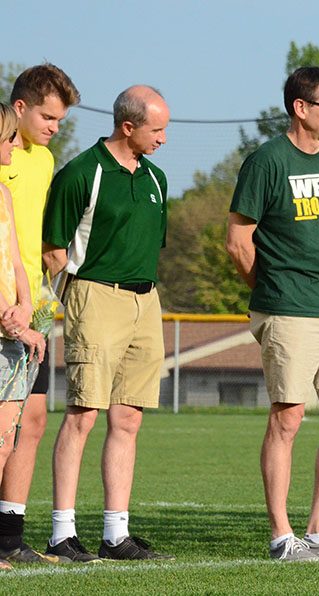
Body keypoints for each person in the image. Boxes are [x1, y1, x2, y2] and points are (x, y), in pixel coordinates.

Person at [226, 66, 319, 561]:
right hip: (288, 306)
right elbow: (238, 243)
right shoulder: (266, 161)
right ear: (301, 108)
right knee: (288, 417)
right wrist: (271, 289)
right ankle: (281, 535)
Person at [42, 85, 173, 561]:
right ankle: (62, 532)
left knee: (129, 418)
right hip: (95, 296)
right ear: (128, 126)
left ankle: (116, 534)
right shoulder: (82, 172)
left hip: (146, 300)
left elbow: (147, 246)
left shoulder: (156, 178)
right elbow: (55, 251)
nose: (163, 139)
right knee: (84, 414)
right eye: (156, 129)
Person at [0, 64, 79, 565]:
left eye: (60, 120)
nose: (54, 127)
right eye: (48, 116)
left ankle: (11, 535)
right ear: (22, 107)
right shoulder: (2, 150)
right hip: (6, 305)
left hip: (35, 306)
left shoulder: (46, 160)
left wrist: (43, 290)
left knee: (31, 421)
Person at [0, 103, 47, 570]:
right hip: (5, 327)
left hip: (14, 328)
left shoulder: (4, 195)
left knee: (6, 437)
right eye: (9, 138)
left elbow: (16, 263)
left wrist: (26, 309)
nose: (15, 146)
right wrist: (10, 319)